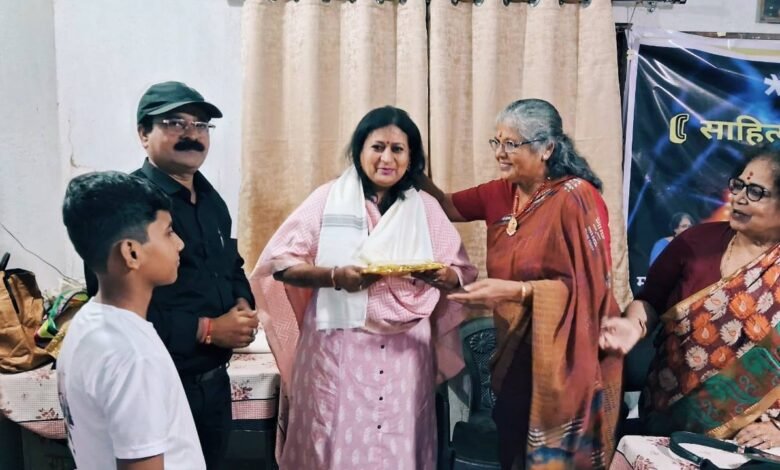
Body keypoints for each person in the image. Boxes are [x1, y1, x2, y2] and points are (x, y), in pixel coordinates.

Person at [249, 106, 477, 470]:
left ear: (411, 157)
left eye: (398, 149)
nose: (387, 158)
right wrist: (335, 277)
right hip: (338, 349)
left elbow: (461, 272)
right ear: (359, 150)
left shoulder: (426, 208)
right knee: (333, 443)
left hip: (406, 355)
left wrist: (439, 275)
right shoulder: (327, 199)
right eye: (378, 147)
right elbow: (280, 265)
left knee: (400, 445)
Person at [419, 98, 623, 469]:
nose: (500, 153)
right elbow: (444, 205)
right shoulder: (500, 193)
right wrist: (408, 166)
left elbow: (591, 289)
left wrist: (516, 291)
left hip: (569, 358)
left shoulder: (577, 198)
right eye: (496, 142)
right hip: (515, 353)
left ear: (547, 148)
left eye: (511, 143)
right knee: (513, 450)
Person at [85, 81, 258, 469]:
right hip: (156, 384)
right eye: (175, 123)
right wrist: (206, 329)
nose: (191, 134)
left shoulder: (211, 201)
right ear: (143, 134)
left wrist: (242, 305)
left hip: (213, 384)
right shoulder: (125, 207)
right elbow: (113, 309)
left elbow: (230, 265)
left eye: (200, 125)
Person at [600, 141, 780, 449]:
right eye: (738, 185)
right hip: (670, 420)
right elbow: (650, 301)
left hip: (755, 439)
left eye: (756, 192)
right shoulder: (694, 243)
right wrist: (632, 326)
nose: (738, 197)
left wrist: (777, 429)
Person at [59, 171, 205, 470]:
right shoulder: (133, 356)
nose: (179, 244)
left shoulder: (88, 320)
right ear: (131, 252)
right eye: (168, 232)